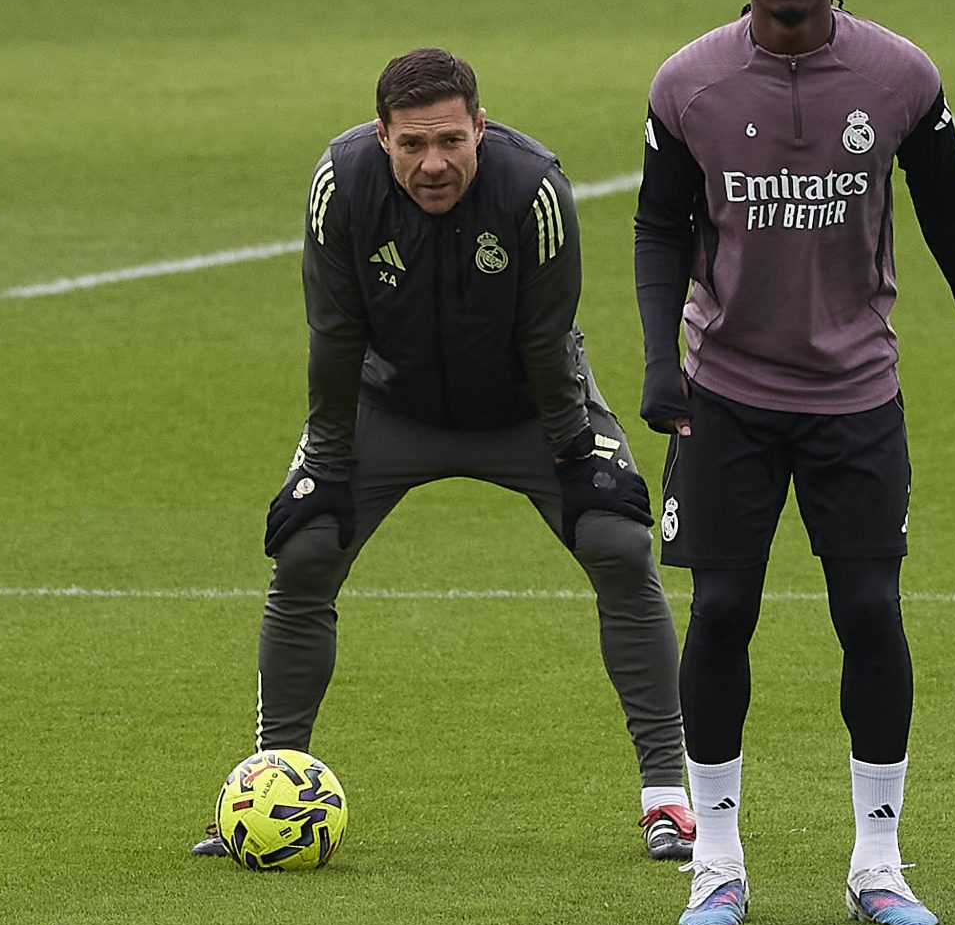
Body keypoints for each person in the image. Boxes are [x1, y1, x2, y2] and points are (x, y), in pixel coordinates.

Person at [633, 0, 955, 925]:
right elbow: (658, 226)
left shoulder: (899, 76)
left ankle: (877, 862)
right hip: (725, 393)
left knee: (868, 610)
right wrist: (660, 360)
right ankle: (717, 859)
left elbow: (950, 214)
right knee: (722, 610)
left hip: (855, 392)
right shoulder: (689, 85)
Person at [195, 47, 695, 862]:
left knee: (617, 542)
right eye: (413, 144)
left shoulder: (533, 188)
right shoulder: (341, 184)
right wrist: (325, 459)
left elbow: (547, 339)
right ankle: (268, 788)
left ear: (480, 129)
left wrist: (576, 454)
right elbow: (333, 332)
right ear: (382, 137)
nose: (434, 163)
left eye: (452, 141)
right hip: (388, 404)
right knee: (307, 548)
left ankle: (668, 799)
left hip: (527, 406)